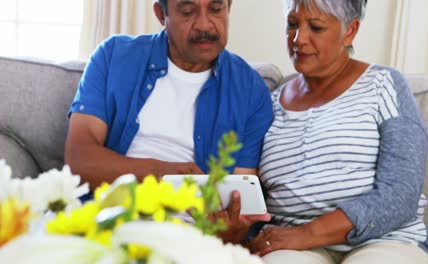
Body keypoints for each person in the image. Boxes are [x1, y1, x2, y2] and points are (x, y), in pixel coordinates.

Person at [247, 0, 428, 263]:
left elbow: (401, 193)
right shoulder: (268, 104)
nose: (298, 38)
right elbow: (252, 193)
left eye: (316, 27)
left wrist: (308, 233)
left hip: (386, 240)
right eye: (292, 24)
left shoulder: (384, 85)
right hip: (294, 248)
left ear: (349, 30)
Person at [65, 0, 272, 243]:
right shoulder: (113, 56)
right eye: (187, 11)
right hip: (106, 217)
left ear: (229, 8)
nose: (205, 24)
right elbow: (79, 160)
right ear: (161, 14)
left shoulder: (250, 90)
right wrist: (164, 175)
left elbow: (242, 204)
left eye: (216, 9)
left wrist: (232, 231)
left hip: (187, 236)